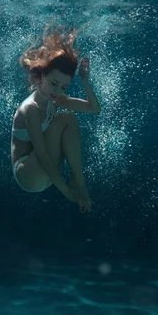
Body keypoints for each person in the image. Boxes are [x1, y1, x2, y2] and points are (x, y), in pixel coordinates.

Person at [11, 24, 100, 213]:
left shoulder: (57, 99)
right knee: (66, 118)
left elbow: (94, 109)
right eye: (54, 83)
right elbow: (42, 154)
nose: (57, 91)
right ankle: (78, 182)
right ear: (42, 75)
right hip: (28, 173)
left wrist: (84, 80)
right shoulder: (31, 108)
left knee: (70, 118)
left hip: (45, 175)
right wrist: (66, 193)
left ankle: (78, 179)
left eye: (64, 87)